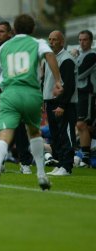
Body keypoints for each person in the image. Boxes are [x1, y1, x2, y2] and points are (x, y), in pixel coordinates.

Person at [0, 14, 63, 194]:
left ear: (13, 30)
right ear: (33, 29)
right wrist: (58, 80)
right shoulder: (38, 43)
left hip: (9, 93)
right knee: (34, 132)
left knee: (4, 135)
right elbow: (50, 55)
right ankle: (42, 175)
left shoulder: (3, 48)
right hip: (31, 92)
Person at [0, 20, 33, 174]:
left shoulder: (17, 48)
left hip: (15, 95)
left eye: (1, 31)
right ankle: (0, 163)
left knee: (19, 130)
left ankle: (25, 163)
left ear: (10, 33)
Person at [44, 31, 77, 176]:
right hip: (50, 101)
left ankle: (67, 166)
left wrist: (62, 105)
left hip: (64, 103)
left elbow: (69, 84)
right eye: (49, 39)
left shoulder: (66, 59)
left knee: (65, 134)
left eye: (55, 40)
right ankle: (60, 163)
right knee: (56, 135)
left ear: (62, 42)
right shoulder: (48, 58)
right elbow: (45, 81)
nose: (51, 42)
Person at [74, 30, 96, 167]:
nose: (82, 42)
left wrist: (71, 60)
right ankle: (86, 157)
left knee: (82, 124)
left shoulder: (92, 55)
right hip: (79, 94)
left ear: (91, 41)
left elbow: (80, 73)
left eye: (85, 40)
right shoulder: (79, 55)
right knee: (84, 126)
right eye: (80, 40)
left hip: (87, 93)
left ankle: (86, 158)